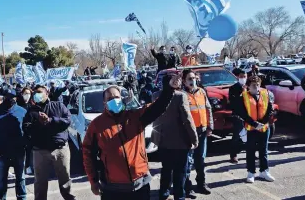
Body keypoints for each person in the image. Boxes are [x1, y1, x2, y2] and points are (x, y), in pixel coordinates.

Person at [82, 75, 176, 200]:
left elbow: (158, 107)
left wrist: (169, 88)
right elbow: (88, 154)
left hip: (140, 185)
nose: (114, 100)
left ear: (122, 98)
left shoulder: (135, 117)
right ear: (104, 103)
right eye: (109, 98)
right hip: (112, 188)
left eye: (116, 97)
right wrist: (93, 181)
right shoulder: (96, 125)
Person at [151, 71, 199, 200]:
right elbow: (187, 119)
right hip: (180, 142)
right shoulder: (180, 96)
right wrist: (194, 138)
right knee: (180, 171)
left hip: (162, 140)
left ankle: (164, 193)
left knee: (166, 169)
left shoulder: (155, 95)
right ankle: (179, 196)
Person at [23, 85, 76, 200]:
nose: (37, 94)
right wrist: (38, 123)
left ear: (47, 94)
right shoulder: (32, 111)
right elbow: (26, 127)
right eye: (35, 92)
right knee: (40, 183)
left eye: (40, 92)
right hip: (40, 151)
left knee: (65, 180)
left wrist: (50, 120)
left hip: (60, 149)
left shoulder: (58, 106)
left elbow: (67, 121)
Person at [0, 91, 28, 200]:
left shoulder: (22, 111)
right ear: (5, 98)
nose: (11, 100)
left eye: (13, 98)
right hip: (2, 152)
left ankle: (22, 197)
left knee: (20, 179)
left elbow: (28, 129)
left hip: (19, 151)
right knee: (2, 180)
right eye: (9, 98)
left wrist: (26, 143)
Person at [237, 76, 275, 183]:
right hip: (251, 128)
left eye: (258, 84)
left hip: (264, 127)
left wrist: (262, 123)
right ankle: (251, 172)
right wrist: (254, 124)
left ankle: (264, 171)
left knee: (264, 150)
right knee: (250, 151)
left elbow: (270, 109)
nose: (256, 87)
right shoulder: (243, 97)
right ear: (248, 86)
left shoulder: (266, 94)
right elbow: (242, 113)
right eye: (254, 85)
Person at [182, 69, 214, 197]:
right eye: (189, 79)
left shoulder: (201, 92)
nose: (192, 81)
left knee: (200, 159)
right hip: (189, 134)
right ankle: (187, 187)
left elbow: (208, 109)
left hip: (202, 130)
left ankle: (201, 184)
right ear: (184, 81)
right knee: (188, 161)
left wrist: (210, 126)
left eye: (194, 78)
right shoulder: (182, 95)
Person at [229, 69, 248, 163]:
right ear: (237, 77)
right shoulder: (233, 88)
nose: (243, 78)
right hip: (238, 115)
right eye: (241, 77)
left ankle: (250, 152)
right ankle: (233, 155)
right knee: (237, 135)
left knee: (250, 135)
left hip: (249, 115)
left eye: (244, 76)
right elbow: (233, 102)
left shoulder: (249, 87)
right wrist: (242, 93)